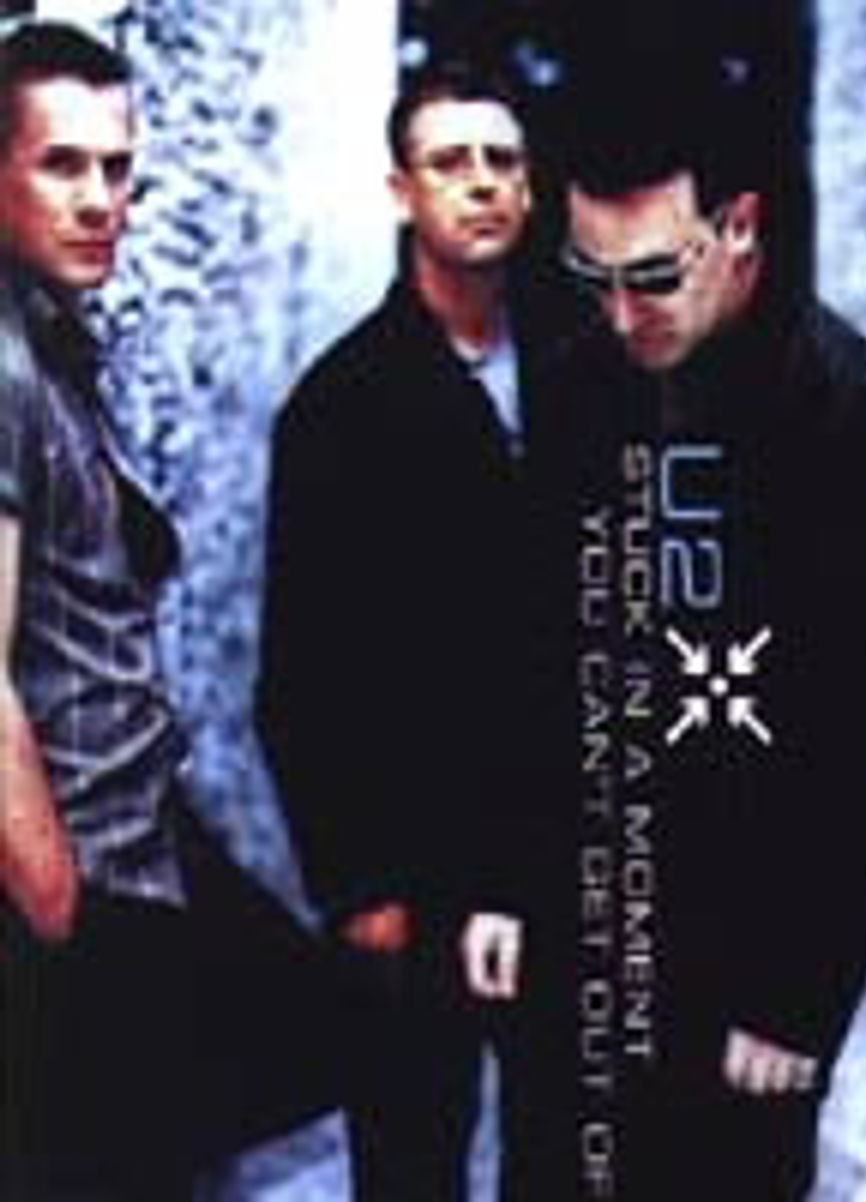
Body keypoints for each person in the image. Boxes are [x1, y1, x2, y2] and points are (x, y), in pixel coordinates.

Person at [535, 60, 866, 1200]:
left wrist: (795, 994)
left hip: (744, 975)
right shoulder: (580, 388)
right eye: (592, 277)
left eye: (654, 277)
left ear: (740, 226)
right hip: (583, 950)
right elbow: (533, 662)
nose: (621, 315)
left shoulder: (851, 422)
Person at [0, 23, 340, 1200]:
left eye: (118, 168)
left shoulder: (51, 339)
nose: (101, 200)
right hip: (77, 886)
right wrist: (58, 908)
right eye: (63, 164)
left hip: (135, 849)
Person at [255, 59, 576, 1201]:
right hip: (411, 876)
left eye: (502, 161)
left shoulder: (591, 372)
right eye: (450, 162)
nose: (480, 183)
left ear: (530, 188)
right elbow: (300, 675)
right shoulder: (340, 407)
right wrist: (359, 890)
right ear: (402, 190)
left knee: (570, 1162)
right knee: (409, 1167)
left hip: (560, 861)